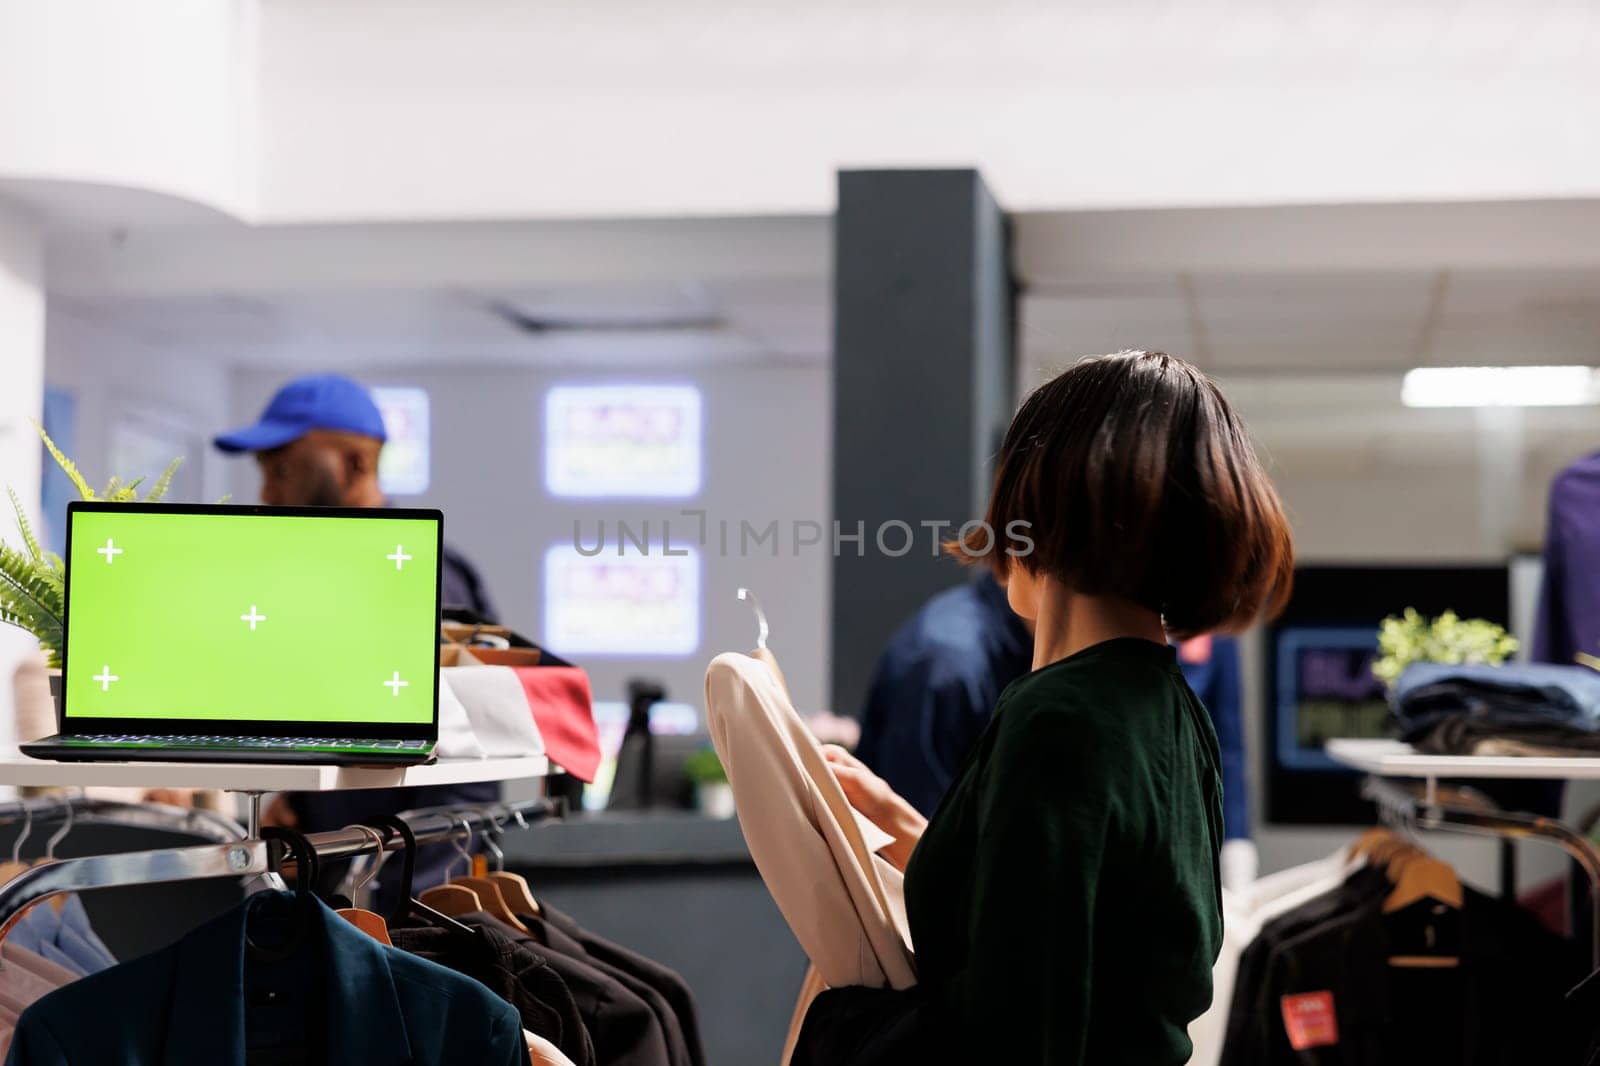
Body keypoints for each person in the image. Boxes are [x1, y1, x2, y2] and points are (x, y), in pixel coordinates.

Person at [798, 351, 1294, 1064]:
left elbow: (1010, 1030)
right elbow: (1079, 924)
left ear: (1038, 504)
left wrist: (839, 1023)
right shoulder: (1168, 708)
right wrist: (906, 827)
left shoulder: (1059, 718)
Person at [213, 373, 499, 904]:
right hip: (346, 874)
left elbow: (448, 755)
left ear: (356, 465)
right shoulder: (322, 577)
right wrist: (300, 806)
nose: (266, 492)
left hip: (416, 874)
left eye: (282, 469)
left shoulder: (421, 573)